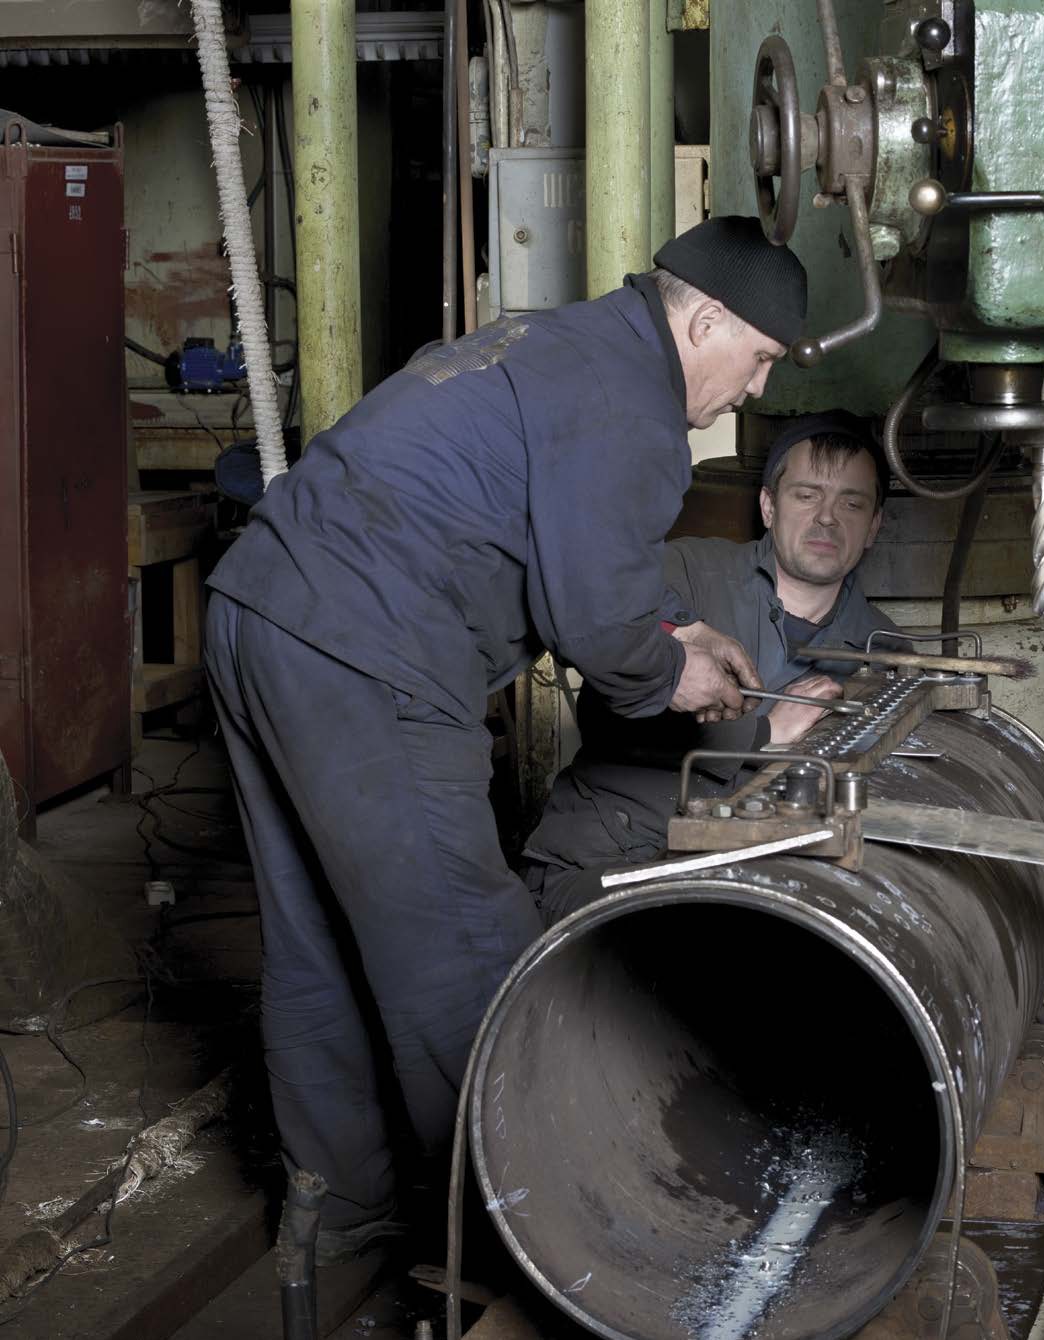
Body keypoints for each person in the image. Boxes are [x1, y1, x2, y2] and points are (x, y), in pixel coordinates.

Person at [201, 217, 803, 1258]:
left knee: (316, 940)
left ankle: (341, 1206)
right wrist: (677, 668)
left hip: (259, 608)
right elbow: (603, 634)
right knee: (463, 952)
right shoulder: (639, 414)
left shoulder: (558, 342)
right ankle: (532, 1243)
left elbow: (574, 549)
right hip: (366, 648)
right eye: (757, 361)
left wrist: (672, 625)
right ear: (708, 321)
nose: (754, 390)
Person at [523, 412, 896, 922]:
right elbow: (612, 713)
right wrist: (763, 732)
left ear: (874, 525)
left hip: (765, 886)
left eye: (851, 503)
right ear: (768, 506)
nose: (827, 517)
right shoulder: (682, 576)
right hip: (613, 858)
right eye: (806, 495)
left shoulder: (885, 650)